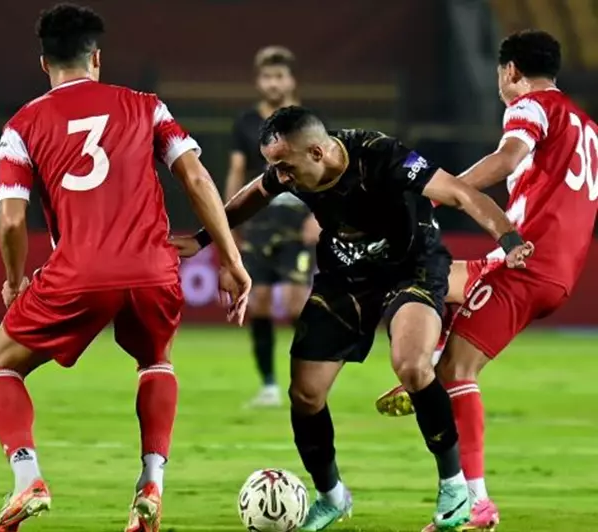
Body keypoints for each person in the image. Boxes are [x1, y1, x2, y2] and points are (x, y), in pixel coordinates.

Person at [172, 106, 534, 531]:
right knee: (306, 394)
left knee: (412, 365)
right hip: (345, 276)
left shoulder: (380, 154)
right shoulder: (290, 170)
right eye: (275, 167)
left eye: (285, 167)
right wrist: (203, 239)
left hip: (412, 267)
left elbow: (460, 193)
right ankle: (332, 497)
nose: (280, 177)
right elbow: (256, 192)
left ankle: (455, 489)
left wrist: (508, 237)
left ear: (317, 152)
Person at [0, 4, 250, 532]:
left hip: (78, 271)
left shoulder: (21, 126)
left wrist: (14, 280)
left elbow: (11, 220)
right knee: (156, 359)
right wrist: (230, 257)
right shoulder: (146, 107)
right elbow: (196, 179)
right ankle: (151, 482)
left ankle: (27, 478)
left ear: (44, 63)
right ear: (97, 58)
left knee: (2, 366)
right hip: (153, 268)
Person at [374, 30, 598, 532]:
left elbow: (506, 159)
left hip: (526, 263)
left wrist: (439, 192)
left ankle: (476, 504)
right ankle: (428, 357)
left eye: (502, 73)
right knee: (426, 278)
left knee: (458, 373)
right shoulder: (586, 125)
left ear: (510, 70)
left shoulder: (531, 106)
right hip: (548, 265)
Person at [225, 46, 320, 407]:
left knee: (297, 305)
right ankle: (268, 386)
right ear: (258, 82)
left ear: (291, 80)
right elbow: (237, 171)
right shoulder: (246, 123)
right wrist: (228, 219)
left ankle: (309, 379)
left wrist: (318, 216)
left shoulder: (309, 122)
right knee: (259, 303)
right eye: (267, 77)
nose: (273, 83)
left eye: (279, 76)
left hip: (299, 220)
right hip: (260, 221)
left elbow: (327, 170)